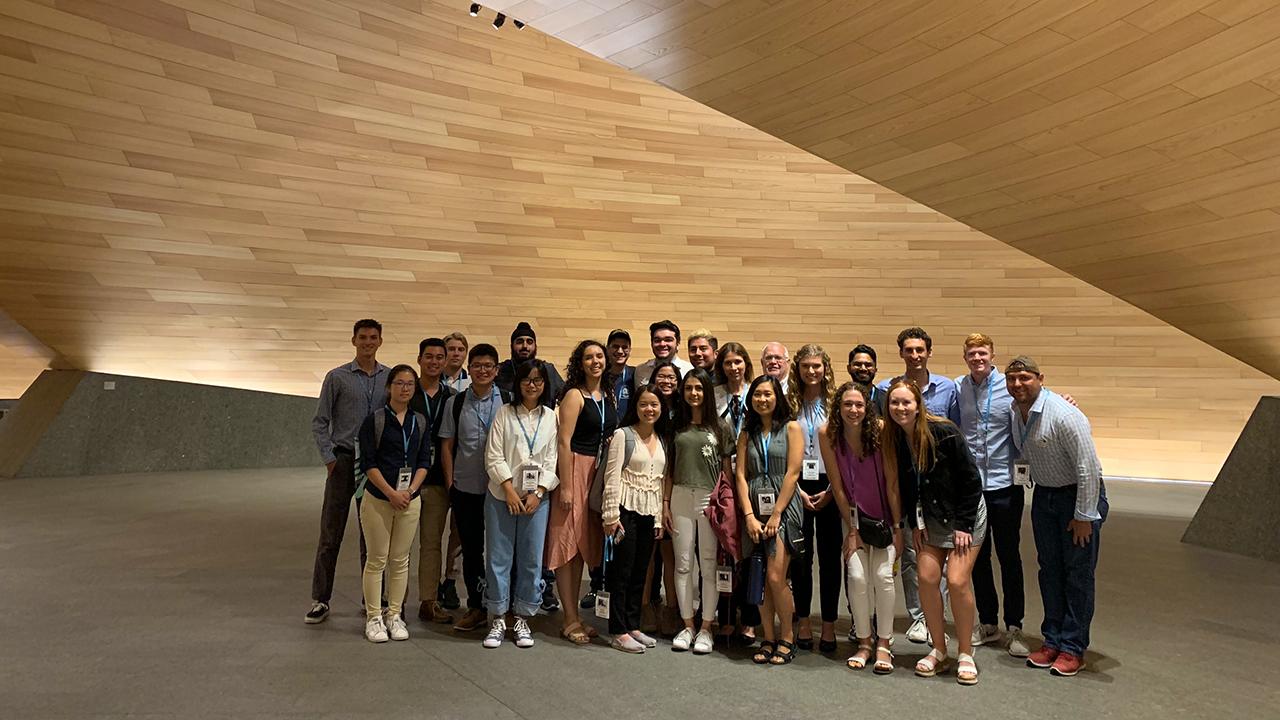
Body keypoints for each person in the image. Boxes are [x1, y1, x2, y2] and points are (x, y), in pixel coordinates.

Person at [1006, 356, 1108, 678]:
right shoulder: (1016, 412)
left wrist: (1084, 516)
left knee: (1077, 575)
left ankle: (1073, 648)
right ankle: (1052, 640)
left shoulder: (1064, 414)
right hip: (1045, 496)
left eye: (1025, 378)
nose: (1018, 384)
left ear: (1040, 378)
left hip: (1076, 497)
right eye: (1012, 379)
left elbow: (1087, 467)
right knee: (1049, 571)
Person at [883, 379, 985, 685]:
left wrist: (963, 525)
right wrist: (916, 524)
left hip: (963, 519)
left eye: (906, 403)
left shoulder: (945, 431)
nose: (900, 408)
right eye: (894, 403)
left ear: (918, 405)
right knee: (926, 578)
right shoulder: (896, 439)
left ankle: (965, 652)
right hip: (929, 520)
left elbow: (970, 480)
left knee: (956, 579)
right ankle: (939, 650)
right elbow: (909, 486)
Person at [875, 326, 960, 643]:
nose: (914, 355)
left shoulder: (948, 388)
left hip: (941, 484)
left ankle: (937, 612)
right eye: (908, 350)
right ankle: (919, 617)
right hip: (907, 482)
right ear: (901, 353)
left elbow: (955, 435)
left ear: (929, 352)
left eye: (919, 349)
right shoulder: (885, 390)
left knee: (941, 551)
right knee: (913, 552)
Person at [307, 319, 390, 624]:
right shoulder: (337, 377)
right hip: (343, 462)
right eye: (363, 337)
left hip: (376, 466)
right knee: (331, 532)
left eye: (373, 337)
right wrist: (330, 459)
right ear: (353, 340)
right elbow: (320, 422)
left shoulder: (390, 377)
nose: (368, 342)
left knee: (372, 534)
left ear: (380, 341)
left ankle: (373, 599)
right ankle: (320, 598)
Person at [955, 333, 1029, 657]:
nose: (977, 358)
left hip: (1005, 485)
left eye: (982, 352)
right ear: (965, 357)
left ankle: (1015, 627)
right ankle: (988, 623)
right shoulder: (959, 387)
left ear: (992, 354)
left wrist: (1066, 399)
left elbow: (1037, 398)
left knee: (1009, 556)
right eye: (972, 353)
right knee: (978, 558)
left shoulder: (1009, 387)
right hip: (973, 487)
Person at [821, 382, 902, 674]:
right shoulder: (827, 434)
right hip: (854, 519)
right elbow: (839, 487)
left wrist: (898, 528)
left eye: (858, 405)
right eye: (847, 405)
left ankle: (885, 643)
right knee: (856, 577)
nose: (853, 410)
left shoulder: (881, 430)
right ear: (838, 408)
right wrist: (852, 530)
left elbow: (892, 483)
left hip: (885, 520)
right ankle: (865, 642)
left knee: (882, 577)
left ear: (867, 407)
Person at [481, 360, 559, 649]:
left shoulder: (550, 417)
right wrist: (509, 491)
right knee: (498, 558)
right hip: (502, 497)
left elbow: (552, 459)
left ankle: (524, 616)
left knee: (530, 559)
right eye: (527, 379)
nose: (532, 384)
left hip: (535, 501)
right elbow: (493, 456)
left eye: (538, 380)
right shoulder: (504, 413)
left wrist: (538, 492)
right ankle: (499, 616)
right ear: (518, 383)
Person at [356, 365, 432, 642]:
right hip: (378, 499)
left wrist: (410, 491)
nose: (404, 388)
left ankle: (394, 615)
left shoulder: (420, 422)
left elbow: (424, 461)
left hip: (409, 501)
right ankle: (374, 617)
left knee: (400, 560)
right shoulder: (374, 421)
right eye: (399, 383)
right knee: (377, 559)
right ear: (389, 387)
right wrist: (391, 492)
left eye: (410, 384)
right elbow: (368, 463)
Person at [549, 339, 617, 645]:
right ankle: (568, 618)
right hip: (575, 468)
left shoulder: (607, 395)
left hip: (597, 474)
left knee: (583, 547)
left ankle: (574, 613)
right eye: (589, 357)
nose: (595, 362)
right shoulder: (574, 395)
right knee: (567, 545)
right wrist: (565, 484)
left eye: (599, 356)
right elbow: (564, 441)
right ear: (580, 362)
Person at [736, 375, 804, 666]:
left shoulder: (791, 427)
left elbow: (793, 472)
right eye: (757, 395)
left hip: (783, 506)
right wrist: (749, 515)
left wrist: (776, 513)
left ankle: (787, 636)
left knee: (777, 576)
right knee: (759, 576)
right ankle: (768, 636)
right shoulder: (746, 433)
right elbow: (740, 474)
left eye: (768, 394)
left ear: (777, 397)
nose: (762, 399)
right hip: (754, 506)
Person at [439, 344, 506, 633]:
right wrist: (450, 482)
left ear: (497, 369)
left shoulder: (509, 401)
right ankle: (476, 607)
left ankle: (504, 607)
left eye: (488, 366)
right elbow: (447, 445)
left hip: (501, 489)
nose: (482, 370)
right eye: (477, 365)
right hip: (466, 486)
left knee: (501, 549)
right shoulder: (455, 402)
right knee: (471, 548)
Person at [667, 367, 733, 654]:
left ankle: (706, 627)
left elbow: (727, 472)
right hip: (680, 495)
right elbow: (669, 469)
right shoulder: (675, 427)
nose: (693, 393)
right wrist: (665, 505)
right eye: (689, 388)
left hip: (709, 499)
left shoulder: (721, 427)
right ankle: (687, 625)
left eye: (699, 388)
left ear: (707, 392)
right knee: (683, 564)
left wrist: (725, 507)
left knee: (708, 563)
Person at [601, 384, 669, 653]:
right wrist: (610, 515)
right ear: (635, 408)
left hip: (648, 513)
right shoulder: (622, 435)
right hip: (624, 512)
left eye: (654, 404)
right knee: (622, 572)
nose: (649, 409)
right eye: (643, 404)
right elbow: (612, 476)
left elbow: (660, 483)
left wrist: (659, 520)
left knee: (641, 572)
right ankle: (618, 630)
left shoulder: (661, 438)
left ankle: (632, 624)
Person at [785, 344, 840, 653]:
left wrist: (833, 489)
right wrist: (797, 490)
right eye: (806, 366)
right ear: (799, 369)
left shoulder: (835, 403)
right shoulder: (789, 402)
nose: (811, 371)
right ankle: (803, 620)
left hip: (831, 484)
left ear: (825, 368)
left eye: (816, 366)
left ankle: (829, 624)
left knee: (830, 558)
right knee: (801, 559)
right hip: (797, 484)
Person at [711, 341, 760, 644]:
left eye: (738, 362)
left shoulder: (758, 391)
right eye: (728, 363)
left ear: (746, 364)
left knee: (752, 551)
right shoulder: (714, 396)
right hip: (721, 477)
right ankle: (726, 615)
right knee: (726, 549)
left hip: (754, 478)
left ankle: (751, 618)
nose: (733, 368)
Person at [583, 328, 635, 612]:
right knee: (598, 517)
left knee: (619, 519)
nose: (619, 351)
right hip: (598, 454)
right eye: (614, 347)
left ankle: (615, 586)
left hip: (627, 452)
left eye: (624, 347)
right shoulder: (600, 381)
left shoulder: (636, 376)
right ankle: (595, 584)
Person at [410, 337, 457, 625]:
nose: (435, 361)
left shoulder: (451, 397)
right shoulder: (405, 390)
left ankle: (428, 601)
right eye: (429, 356)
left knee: (431, 544)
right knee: (396, 547)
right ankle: (391, 603)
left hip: (438, 481)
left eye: (440, 357)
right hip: (404, 482)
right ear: (419, 359)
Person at [641, 357, 681, 635]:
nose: (666, 382)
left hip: (675, 489)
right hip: (647, 487)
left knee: (671, 554)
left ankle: (671, 608)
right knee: (647, 554)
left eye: (672, 378)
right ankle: (644, 607)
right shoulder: (646, 407)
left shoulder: (684, 411)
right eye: (662, 377)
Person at [496, 321, 564, 407]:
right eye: (519, 342)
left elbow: (565, 396)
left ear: (535, 346)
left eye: (529, 342)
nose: (525, 346)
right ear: (511, 346)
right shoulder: (501, 370)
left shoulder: (548, 369)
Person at [635, 319, 694, 385]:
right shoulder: (641, 370)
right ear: (651, 343)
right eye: (657, 340)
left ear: (677, 343)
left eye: (668, 340)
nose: (662, 344)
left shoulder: (689, 370)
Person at [847, 344, 886, 410]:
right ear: (849, 368)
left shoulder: (886, 400)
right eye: (858, 364)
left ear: (875, 369)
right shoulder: (841, 399)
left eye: (868, 365)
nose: (863, 368)